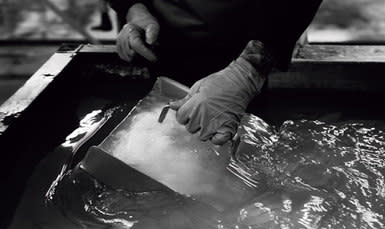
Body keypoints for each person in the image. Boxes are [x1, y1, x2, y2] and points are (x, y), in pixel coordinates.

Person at [107, 0, 322, 145]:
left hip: (252, 35)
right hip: (162, 42)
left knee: (247, 144)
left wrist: (250, 68)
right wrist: (133, 7)